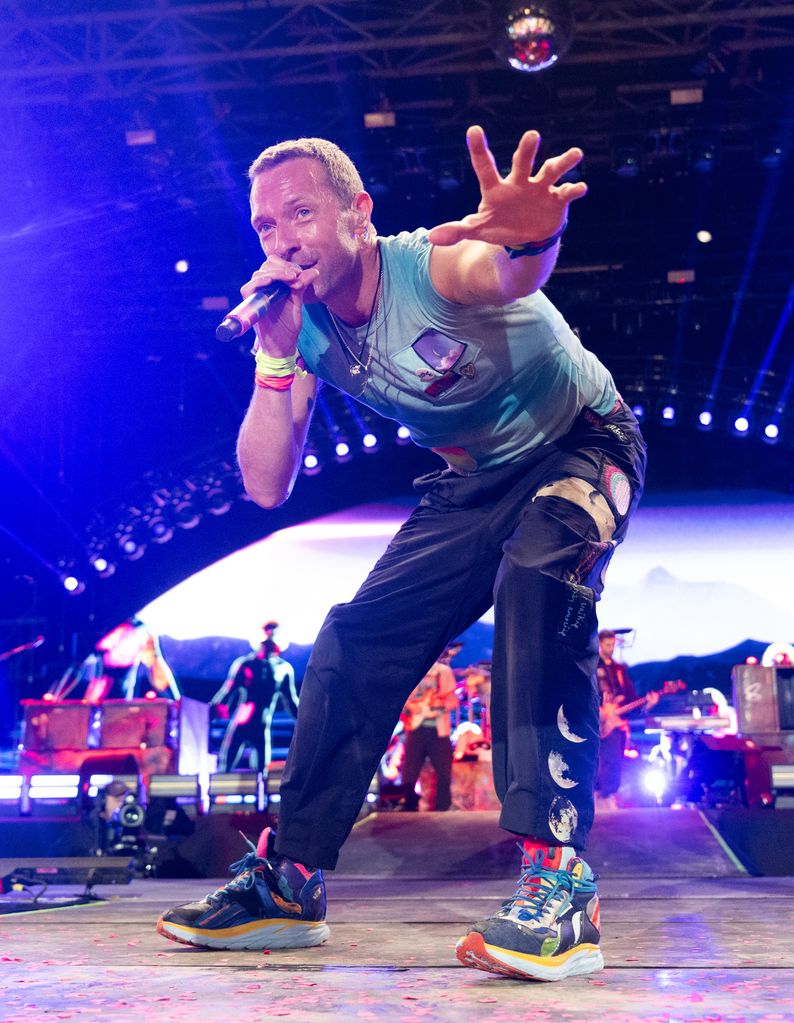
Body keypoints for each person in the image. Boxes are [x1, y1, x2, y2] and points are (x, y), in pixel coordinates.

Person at [157, 124, 646, 982]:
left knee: (537, 579)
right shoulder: (300, 327)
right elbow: (265, 484)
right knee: (354, 639)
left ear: (359, 216)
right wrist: (274, 358)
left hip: (580, 444)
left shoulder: (431, 266)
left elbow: (502, 268)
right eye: (267, 227)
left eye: (303, 213)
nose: (284, 239)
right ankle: (289, 882)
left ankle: (561, 886)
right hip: (471, 482)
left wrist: (532, 233)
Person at [211, 622, 298, 772]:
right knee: (226, 766)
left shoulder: (283, 669)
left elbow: (291, 701)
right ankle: (218, 794)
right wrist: (210, 710)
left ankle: (259, 794)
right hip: (241, 722)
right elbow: (227, 692)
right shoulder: (245, 664)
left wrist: (308, 720)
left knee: (262, 771)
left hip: (262, 724)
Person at [596, 629, 658, 810]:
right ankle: (598, 796)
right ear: (600, 644)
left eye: (613, 644)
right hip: (598, 720)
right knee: (600, 760)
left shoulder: (619, 670)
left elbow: (630, 698)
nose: (611, 648)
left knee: (614, 759)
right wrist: (598, 709)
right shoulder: (592, 666)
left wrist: (647, 703)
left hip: (616, 724)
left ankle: (608, 795)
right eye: (608, 644)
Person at [399, 657, 460, 811]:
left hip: (439, 730)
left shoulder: (444, 671)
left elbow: (453, 700)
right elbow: (403, 698)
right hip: (416, 728)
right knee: (410, 770)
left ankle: (443, 806)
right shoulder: (414, 667)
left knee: (444, 770)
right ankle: (409, 804)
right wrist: (412, 707)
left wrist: (441, 706)